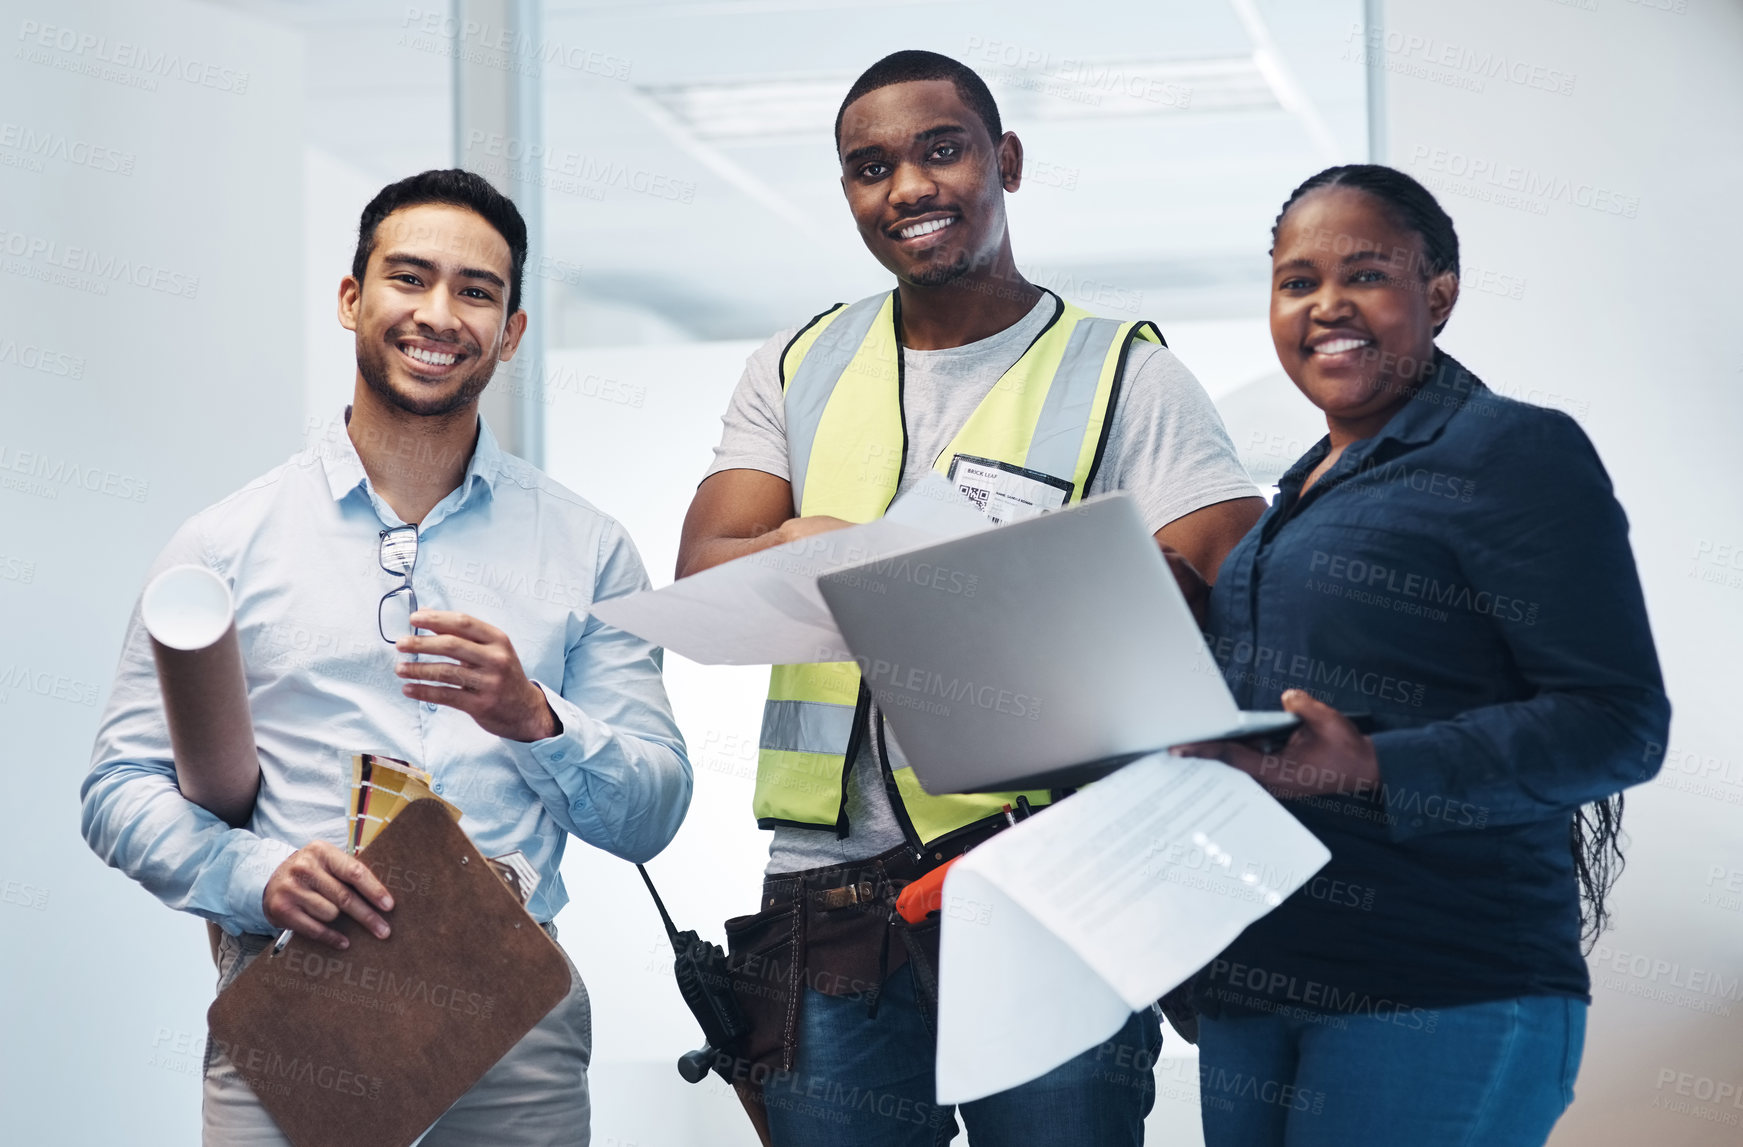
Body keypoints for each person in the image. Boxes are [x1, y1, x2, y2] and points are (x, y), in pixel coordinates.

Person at [675, 50, 1265, 1146]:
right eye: (869, 166)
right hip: (828, 900)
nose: (906, 187)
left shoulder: (1123, 373)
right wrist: (816, 541)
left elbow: (1233, 597)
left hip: (1046, 875)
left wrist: (1007, 592)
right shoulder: (799, 360)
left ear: (1007, 161)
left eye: (940, 150)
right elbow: (709, 563)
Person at [81, 169, 692, 1145]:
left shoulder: (587, 547)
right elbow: (118, 787)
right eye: (409, 278)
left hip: (514, 1014)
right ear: (351, 298)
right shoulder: (227, 542)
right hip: (294, 996)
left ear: (513, 331)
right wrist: (257, 875)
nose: (439, 314)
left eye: (477, 291)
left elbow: (653, 809)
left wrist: (537, 717)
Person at [1172, 164, 1671, 1146]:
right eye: (1297, 281)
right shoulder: (1295, 498)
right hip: (1255, 981)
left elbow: (1618, 724)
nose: (1326, 307)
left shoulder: (1509, 451)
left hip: (1439, 984)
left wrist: (1375, 765)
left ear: (1437, 291)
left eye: (1365, 275)